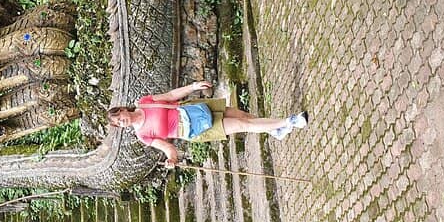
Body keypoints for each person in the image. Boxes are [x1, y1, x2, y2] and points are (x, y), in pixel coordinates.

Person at [107, 81, 308, 167]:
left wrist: (193, 87)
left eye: (119, 117)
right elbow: (168, 147)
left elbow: (170, 96)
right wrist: (172, 160)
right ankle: (290, 121)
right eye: (119, 124)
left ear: (122, 110)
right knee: (241, 125)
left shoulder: (144, 102)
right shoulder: (143, 135)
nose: (122, 122)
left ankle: (275, 129)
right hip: (195, 129)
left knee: (244, 117)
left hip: (193, 109)